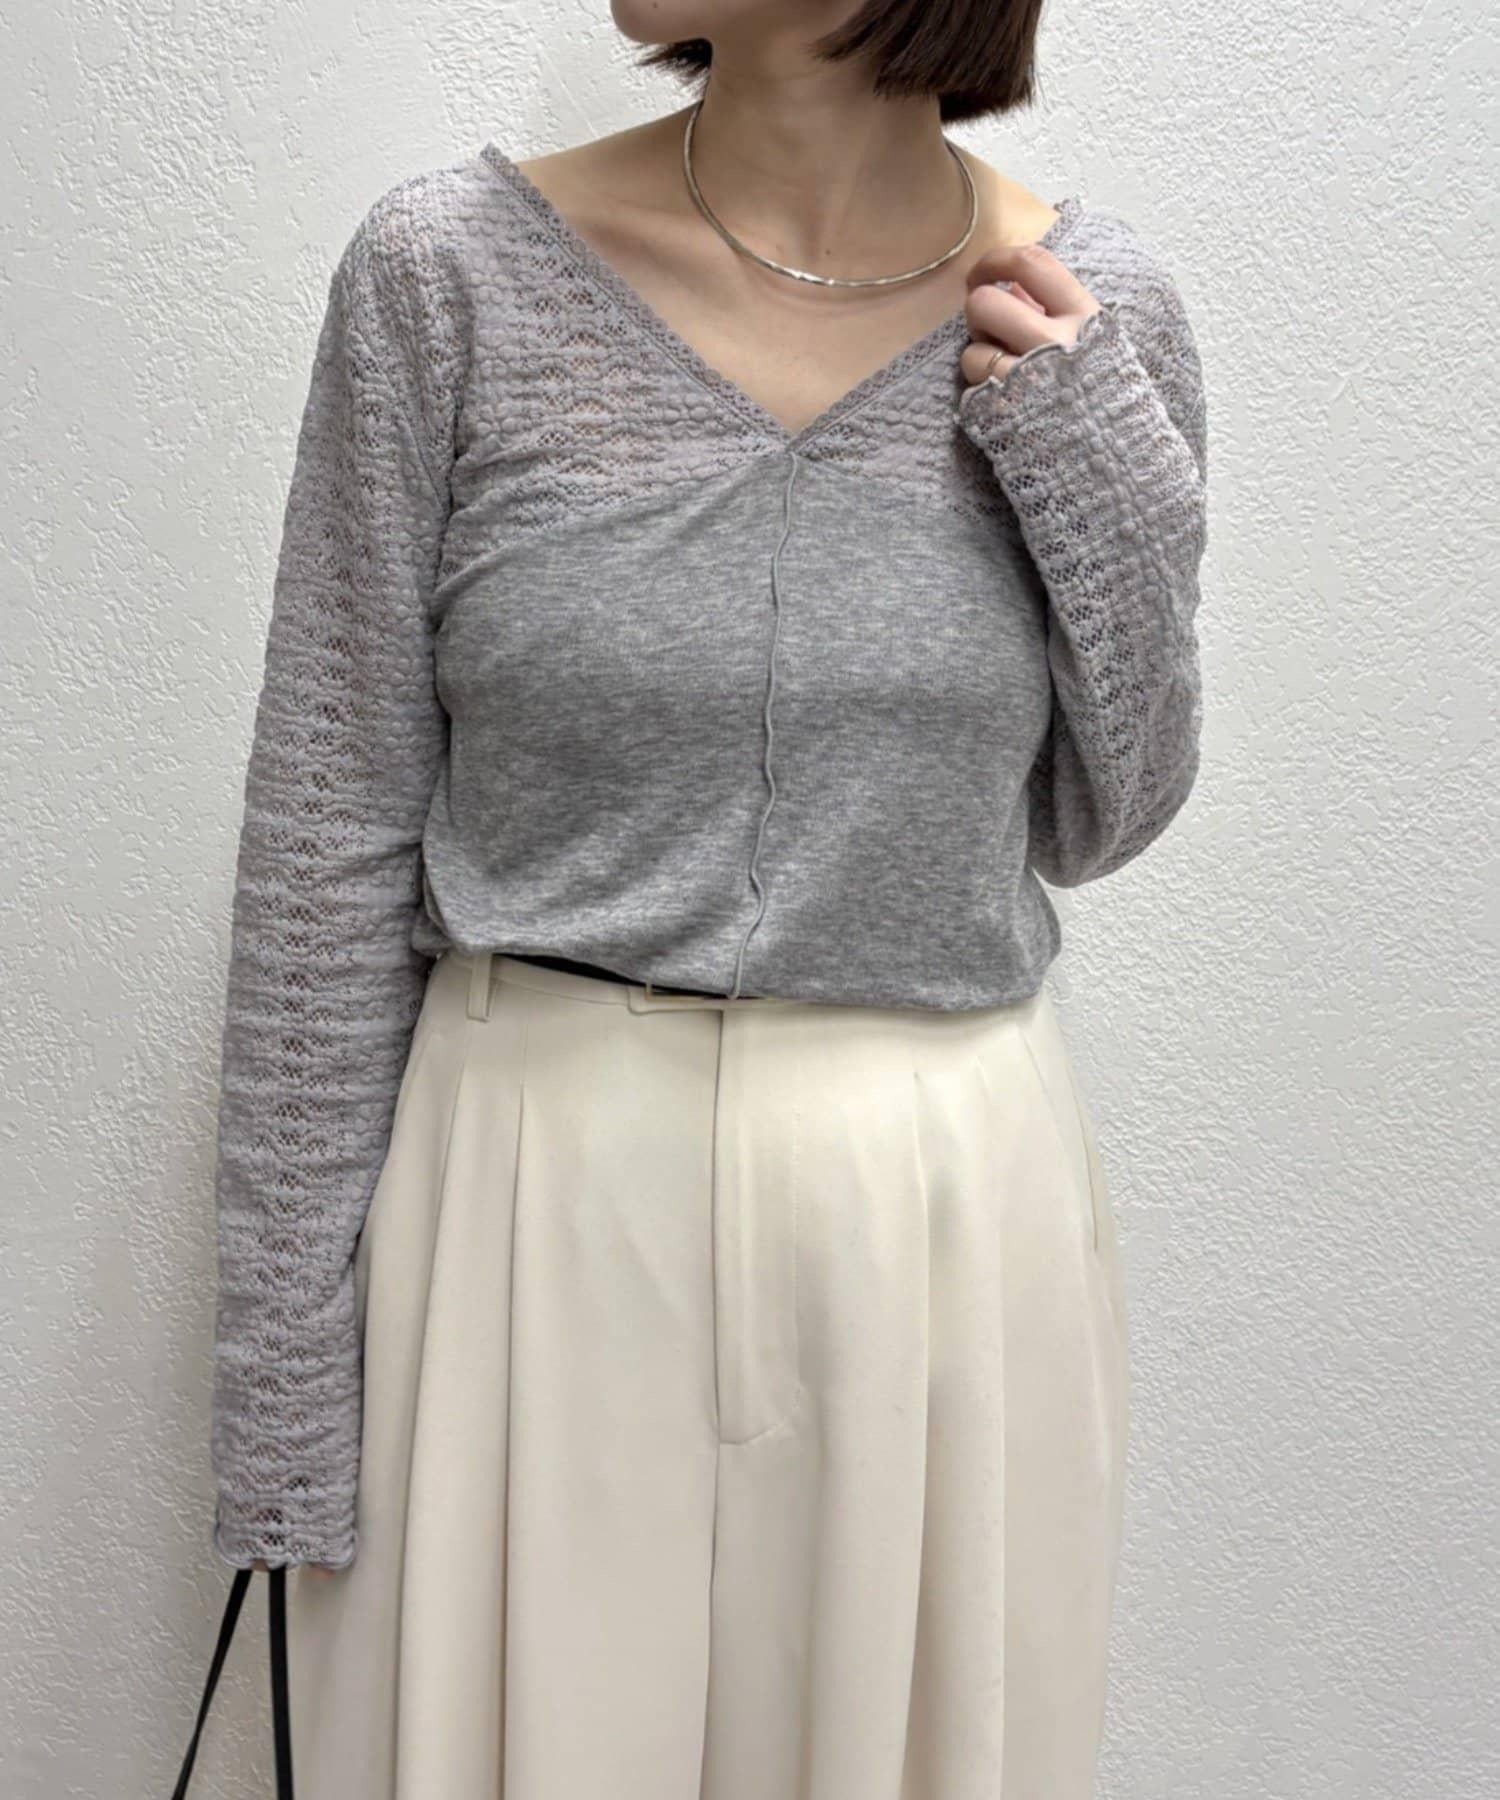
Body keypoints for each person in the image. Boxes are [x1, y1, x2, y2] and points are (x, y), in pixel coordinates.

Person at [206, 2, 1209, 1794]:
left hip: (931, 1216)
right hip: (530, 1199)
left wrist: (1087, 463)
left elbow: (1099, 815)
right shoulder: (450, 275)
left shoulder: (1090, 306)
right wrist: (284, 1398)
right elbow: (324, 842)